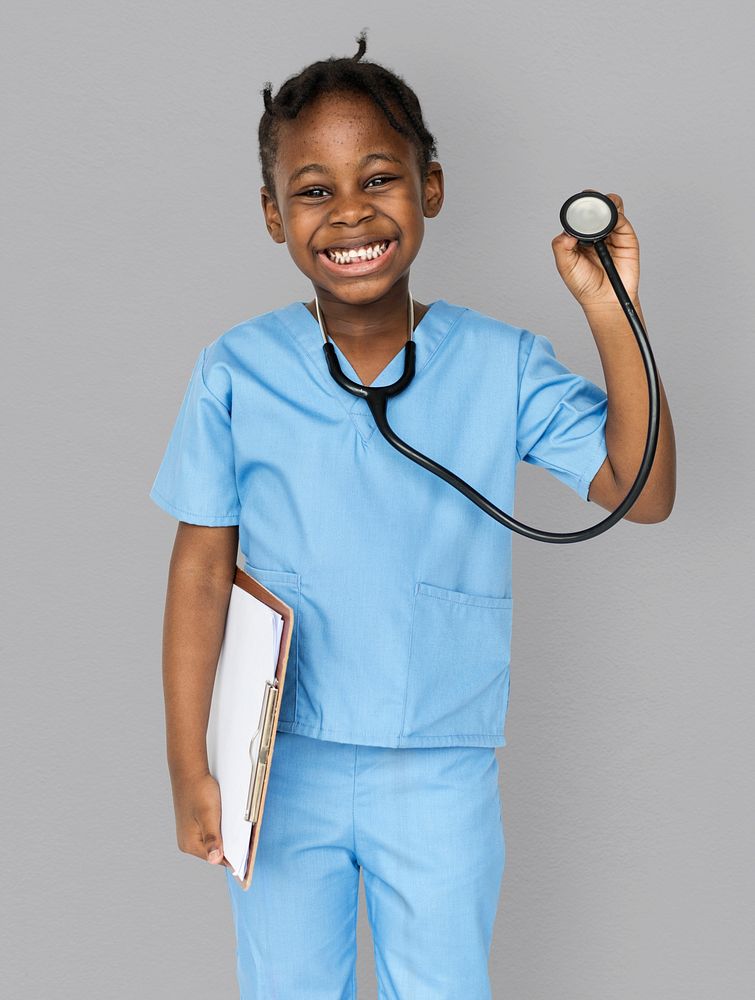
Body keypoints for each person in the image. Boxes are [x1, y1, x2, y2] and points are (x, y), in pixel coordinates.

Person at [149, 29, 676, 1000]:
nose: (349, 212)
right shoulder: (237, 369)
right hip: (277, 762)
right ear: (273, 215)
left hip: (438, 764)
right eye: (313, 190)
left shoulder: (499, 362)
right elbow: (197, 574)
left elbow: (639, 492)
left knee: (439, 986)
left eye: (379, 178)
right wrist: (191, 765)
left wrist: (611, 311)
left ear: (429, 188)